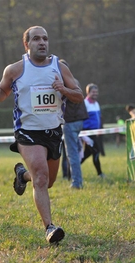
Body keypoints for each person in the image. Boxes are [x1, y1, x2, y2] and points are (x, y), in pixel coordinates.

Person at [0, 26, 84, 243]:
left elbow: (79, 96)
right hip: (27, 132)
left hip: (53, 132)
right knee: (41, 177)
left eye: (45, 39)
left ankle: (23, 175)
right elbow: (3, 93)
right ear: (26, 44)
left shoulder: (59, 67)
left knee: (47, 181)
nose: (42, 42)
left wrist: (63, 89)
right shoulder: (14, 69)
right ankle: (50, 228)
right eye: (36, 39)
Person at [59, 59, 88, 189]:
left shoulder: (65, 84)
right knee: (75, 151)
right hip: (79, 121)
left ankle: (76, 182)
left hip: (70, 122)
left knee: (72, 154)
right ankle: (76, 179)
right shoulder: (75, 81)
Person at [80, 83, 106, 178]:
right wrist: (83, 135)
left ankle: (73, 168)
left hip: (96, 133)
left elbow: (98, 118)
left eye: (96, 92)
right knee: (96, 152)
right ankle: (100, 173)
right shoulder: (84, 103)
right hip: (88, 133)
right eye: (93, 92)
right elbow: (81, 118)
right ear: (88, 92)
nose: (95, 93)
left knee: (87, 153)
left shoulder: (96, 104)